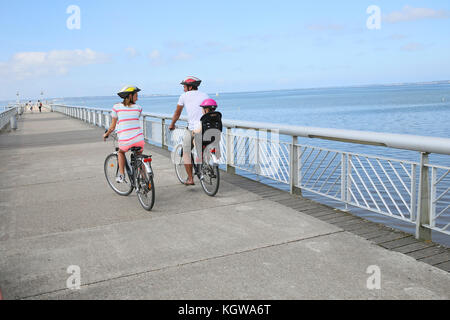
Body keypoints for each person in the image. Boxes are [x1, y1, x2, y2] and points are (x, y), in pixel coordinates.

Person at [169, 76, 209, 186]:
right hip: (205, 127)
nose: (183, 89)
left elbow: (177, 113)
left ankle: (190, 179)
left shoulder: (183, 96)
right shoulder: (204, 95)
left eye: (184, 87)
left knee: (186, 152)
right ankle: (207, 165)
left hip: (193, 128)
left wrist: (172, 124)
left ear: (190, 87)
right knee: (202, 147)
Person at [103, 86, 144, 183]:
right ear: (130, 96)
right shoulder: (139, 108)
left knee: (121, 152)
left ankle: (121, 175)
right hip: (139, 140)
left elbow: (112, 127)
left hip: (125, 141)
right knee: (140, 158)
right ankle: (145, 178)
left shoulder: (116, 107)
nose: (137, 98)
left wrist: (106, 134)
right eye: (136, 96)